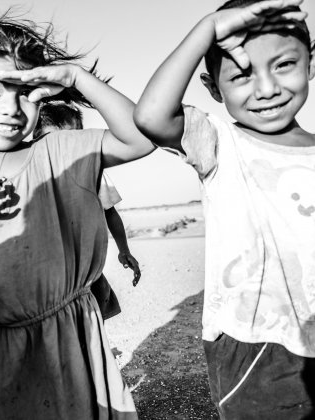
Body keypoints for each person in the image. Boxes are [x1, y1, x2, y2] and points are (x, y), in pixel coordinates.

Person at [0, 15, 155, 420]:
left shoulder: (60, 151)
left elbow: (142, 137)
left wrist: (76, 77)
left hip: (74, 339)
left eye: (26, 93)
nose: (11, 108)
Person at [133, 0, 315, 418]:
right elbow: (150, 115)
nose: (267, 88)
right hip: (253, 347)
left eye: (284, 65)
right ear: (213, 87)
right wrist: (208, 27)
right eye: (242, 75)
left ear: (310, 63)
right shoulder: (219, 144)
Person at [34, 102, 142, 319]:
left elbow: (110, 212)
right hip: (45, 274)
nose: (62, 149)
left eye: (72, 140)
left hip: (86, 272)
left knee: (92, 324)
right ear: (35, 141)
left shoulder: (91, 172)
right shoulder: (30, 175)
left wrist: (124, 250)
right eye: (52, 142)